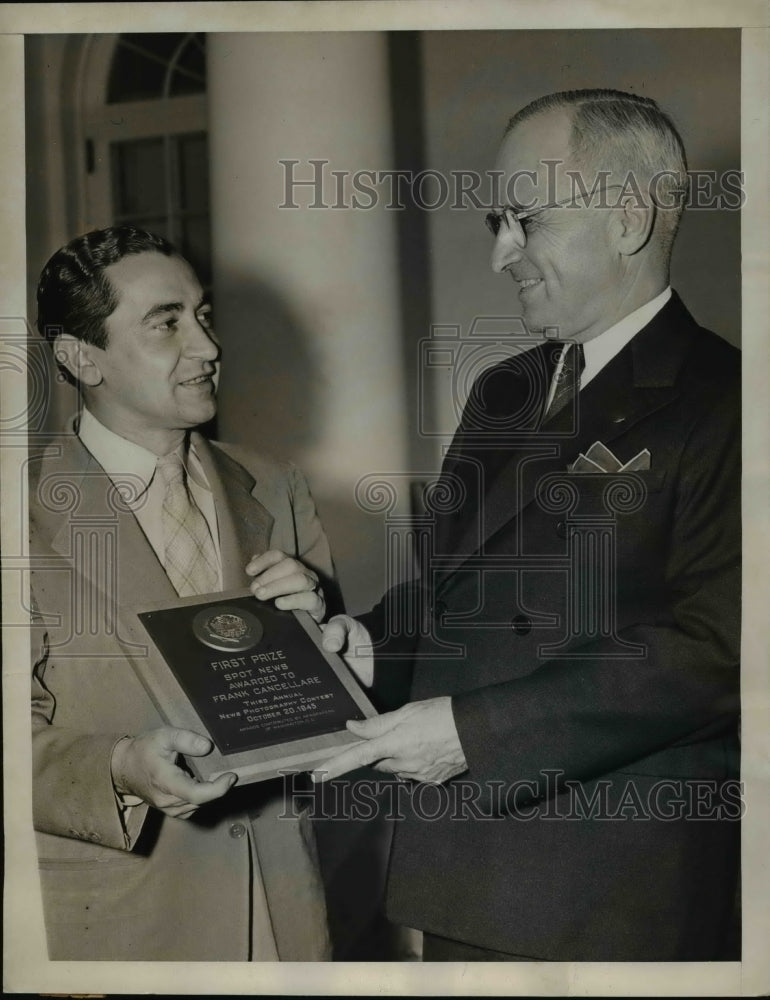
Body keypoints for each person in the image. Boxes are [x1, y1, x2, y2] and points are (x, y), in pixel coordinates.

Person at [317, 89, 741, 961]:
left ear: (627, 219)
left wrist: (476, 735)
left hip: (613, 896)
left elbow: (719, 652)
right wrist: (368, 645)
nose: (504, 253)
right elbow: (452, 591)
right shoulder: (503, 390)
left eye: (527, 221)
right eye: (495, 221)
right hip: (467, 873)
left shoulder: (732, 401)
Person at [30, 226, 336, 961]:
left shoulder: (275, 487)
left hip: (282, 913)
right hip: (123, 925)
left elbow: (334, 716)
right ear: (81, 357)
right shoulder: (21, 513)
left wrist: (329, 641)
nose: (206, 347)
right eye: (167, 324)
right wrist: (117, 768)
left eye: (202, 316)